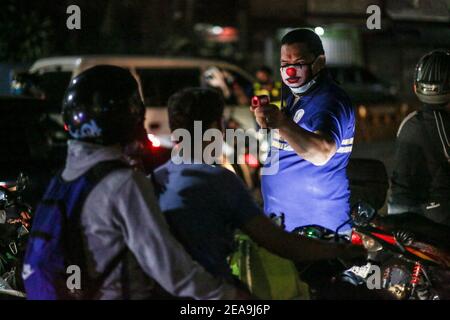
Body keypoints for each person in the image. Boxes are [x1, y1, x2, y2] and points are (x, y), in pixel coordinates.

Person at [27, 65, 244, 300]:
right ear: (127, 114)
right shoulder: (123, 183)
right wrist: (231, 296)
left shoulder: (64, 180)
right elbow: (171, 270)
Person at [152, 87, 365, 282]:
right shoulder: (220, 182)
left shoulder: (155, 179)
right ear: (217, 127)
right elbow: (279, 243)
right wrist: (339, 251)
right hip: (217, 291)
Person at [250, 29, 356, 233]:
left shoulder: (330, 100)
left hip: (319, 232)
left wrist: (282, 123)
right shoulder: (294, 96)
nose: (290, 71)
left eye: (298, 63)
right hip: (285, 228)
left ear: (320, 62)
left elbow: (322, 152)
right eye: (284, 65)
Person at [388, 50, 450, 226]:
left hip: (403, 217)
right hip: (433, 220)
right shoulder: (441, 124)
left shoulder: (410, 121)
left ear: (416, 87)